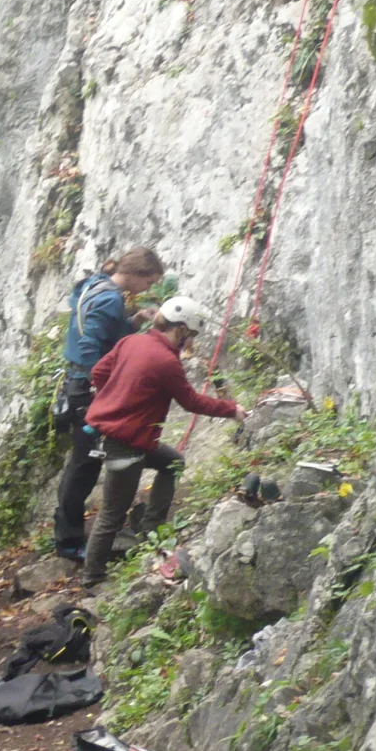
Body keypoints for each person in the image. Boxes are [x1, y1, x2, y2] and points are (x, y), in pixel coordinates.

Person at [79, 297, 244, 587]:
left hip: (128, 436)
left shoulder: (132, 341)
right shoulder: (167, 361)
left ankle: (150, 529)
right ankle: (92, 579)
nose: (190, 342)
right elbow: (191, 402)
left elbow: (98, 373)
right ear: (180, 329)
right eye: (190, 335)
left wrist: (115, 400)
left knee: (173, 462)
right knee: (111, 514)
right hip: (126, 442)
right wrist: (232, 410)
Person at [52, 246, 166, 561]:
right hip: (87, 390)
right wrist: (105, 386)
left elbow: (96, 333)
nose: (149, 289)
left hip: (75, 385)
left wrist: (133, 322)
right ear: (138, 274)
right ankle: (69, 542)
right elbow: (91, 345)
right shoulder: (110, 299)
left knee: (79, 463)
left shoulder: (95, 284)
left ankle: (66, 533)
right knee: (85, 466)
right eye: (150, 282)